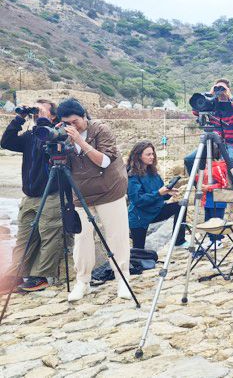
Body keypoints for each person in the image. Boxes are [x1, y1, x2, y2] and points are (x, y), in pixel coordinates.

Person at [56, 98, 132, 302]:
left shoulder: (101, 130)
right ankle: (83, 282)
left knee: (117, 236)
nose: (71, 126)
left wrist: (79, 141)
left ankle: (123, 280)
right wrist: (58, 144)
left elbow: (105, 161)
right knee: (82, 240)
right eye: (66, 123)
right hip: (81, 193)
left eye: (75, 121)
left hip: (109, 190)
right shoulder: (63, 135)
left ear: (84, 116)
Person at [0, 99, 64, 293]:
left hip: (50, 193)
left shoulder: (56, 132)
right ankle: (15, 275)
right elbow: (6, 142)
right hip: (29, 195)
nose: (36, 112)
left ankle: (41, 276)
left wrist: (44, 122)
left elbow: (50, 146)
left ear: (53, 115)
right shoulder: (29, 135)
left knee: (48, 235)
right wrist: (20, 118)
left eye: (41, 109)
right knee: (24, 237)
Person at [126, 141, 183, 250]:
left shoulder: (152, 172)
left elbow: (159, 193)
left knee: (180, 206)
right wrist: (159, 193)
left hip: (155, 211)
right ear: (138, 156)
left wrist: (167, 193)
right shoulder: (132, 175)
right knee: (139, 252)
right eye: (148, 154)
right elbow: (138, 200)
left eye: (153, 154)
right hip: (139, 217)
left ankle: (179, 241)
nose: (152, 157)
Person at [184, 79, 233, 173]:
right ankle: (198, 184)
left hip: (230, 143)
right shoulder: (212, 103)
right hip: (212, 143)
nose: (220, 91)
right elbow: (195, 111)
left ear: (228, 90)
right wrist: (209, 94)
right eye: (217, 88)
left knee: (227, 162)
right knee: (189, 160)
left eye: (223, 88)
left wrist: (230, 96)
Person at [196, 143, 228, 250]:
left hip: (217, 202)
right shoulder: (205, 168)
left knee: (216, 221)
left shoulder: (217, 168)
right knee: (208, 220)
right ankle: (211, 240)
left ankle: (218, 240)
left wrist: (208, 187)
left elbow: (223, 184)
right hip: (208, 201)